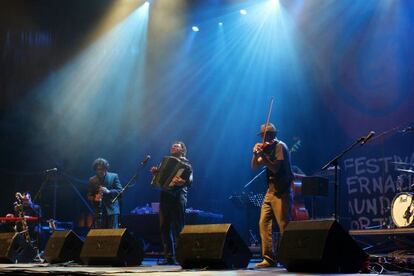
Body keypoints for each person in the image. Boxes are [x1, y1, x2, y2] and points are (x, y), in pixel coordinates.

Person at [251, 123, 294, 268]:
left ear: (273, 135)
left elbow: (275, 168)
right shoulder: (266, 149)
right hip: (270, 191)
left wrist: (263, 155)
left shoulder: (280, 146)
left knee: (284, 224)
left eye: (268, 135)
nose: (265, 138)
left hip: (282, 191)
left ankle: (291, 257)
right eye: (263, 135)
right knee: (263, 222)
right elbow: (255, 166)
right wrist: (255, 154)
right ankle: (269, 258)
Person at [150, 141, 193, 265]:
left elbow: (190, 181)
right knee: (164, 227)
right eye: (172, 146)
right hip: (165, 196)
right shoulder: (166, 161)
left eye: (177, 146)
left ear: (182, 150)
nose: (173, 147)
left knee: (178, 227)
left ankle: (182, 257)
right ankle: (169, 257)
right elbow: (160, 179)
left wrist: (182, 182)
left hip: (178, 196)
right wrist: (156, 174)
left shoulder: (187, 163)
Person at [87, 158, 122, 229]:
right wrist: (94, 198)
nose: (100, 171)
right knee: (99, 234)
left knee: (112, 234)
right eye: (98, 169)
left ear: (106, 168)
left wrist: (109, 191)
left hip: (112, 210)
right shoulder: (92, 180)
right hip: (99, 211)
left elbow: (120, 191)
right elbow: (89, 195)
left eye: (102, 169)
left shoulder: (114, 176)